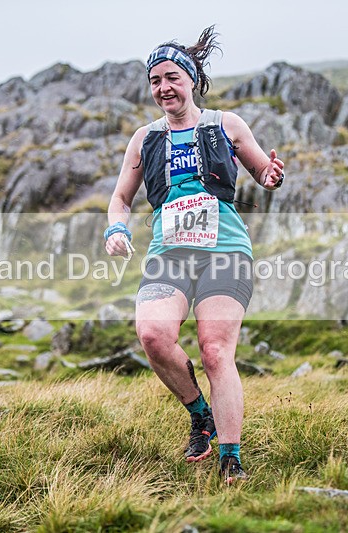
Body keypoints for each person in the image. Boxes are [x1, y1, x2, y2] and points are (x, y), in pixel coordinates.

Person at [104, 25, 284, 484]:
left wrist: (271, 176)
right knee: (152, 335)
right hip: (170, 253)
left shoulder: (225, 124)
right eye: (155, 81)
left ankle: (231, 459)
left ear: (191, 79)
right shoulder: (145, 139)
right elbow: (121, 198)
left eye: (172, 78)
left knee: (215, 351)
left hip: (225, 251)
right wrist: (116, 229)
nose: (164, 87)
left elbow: (263, 170)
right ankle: (199, 414)